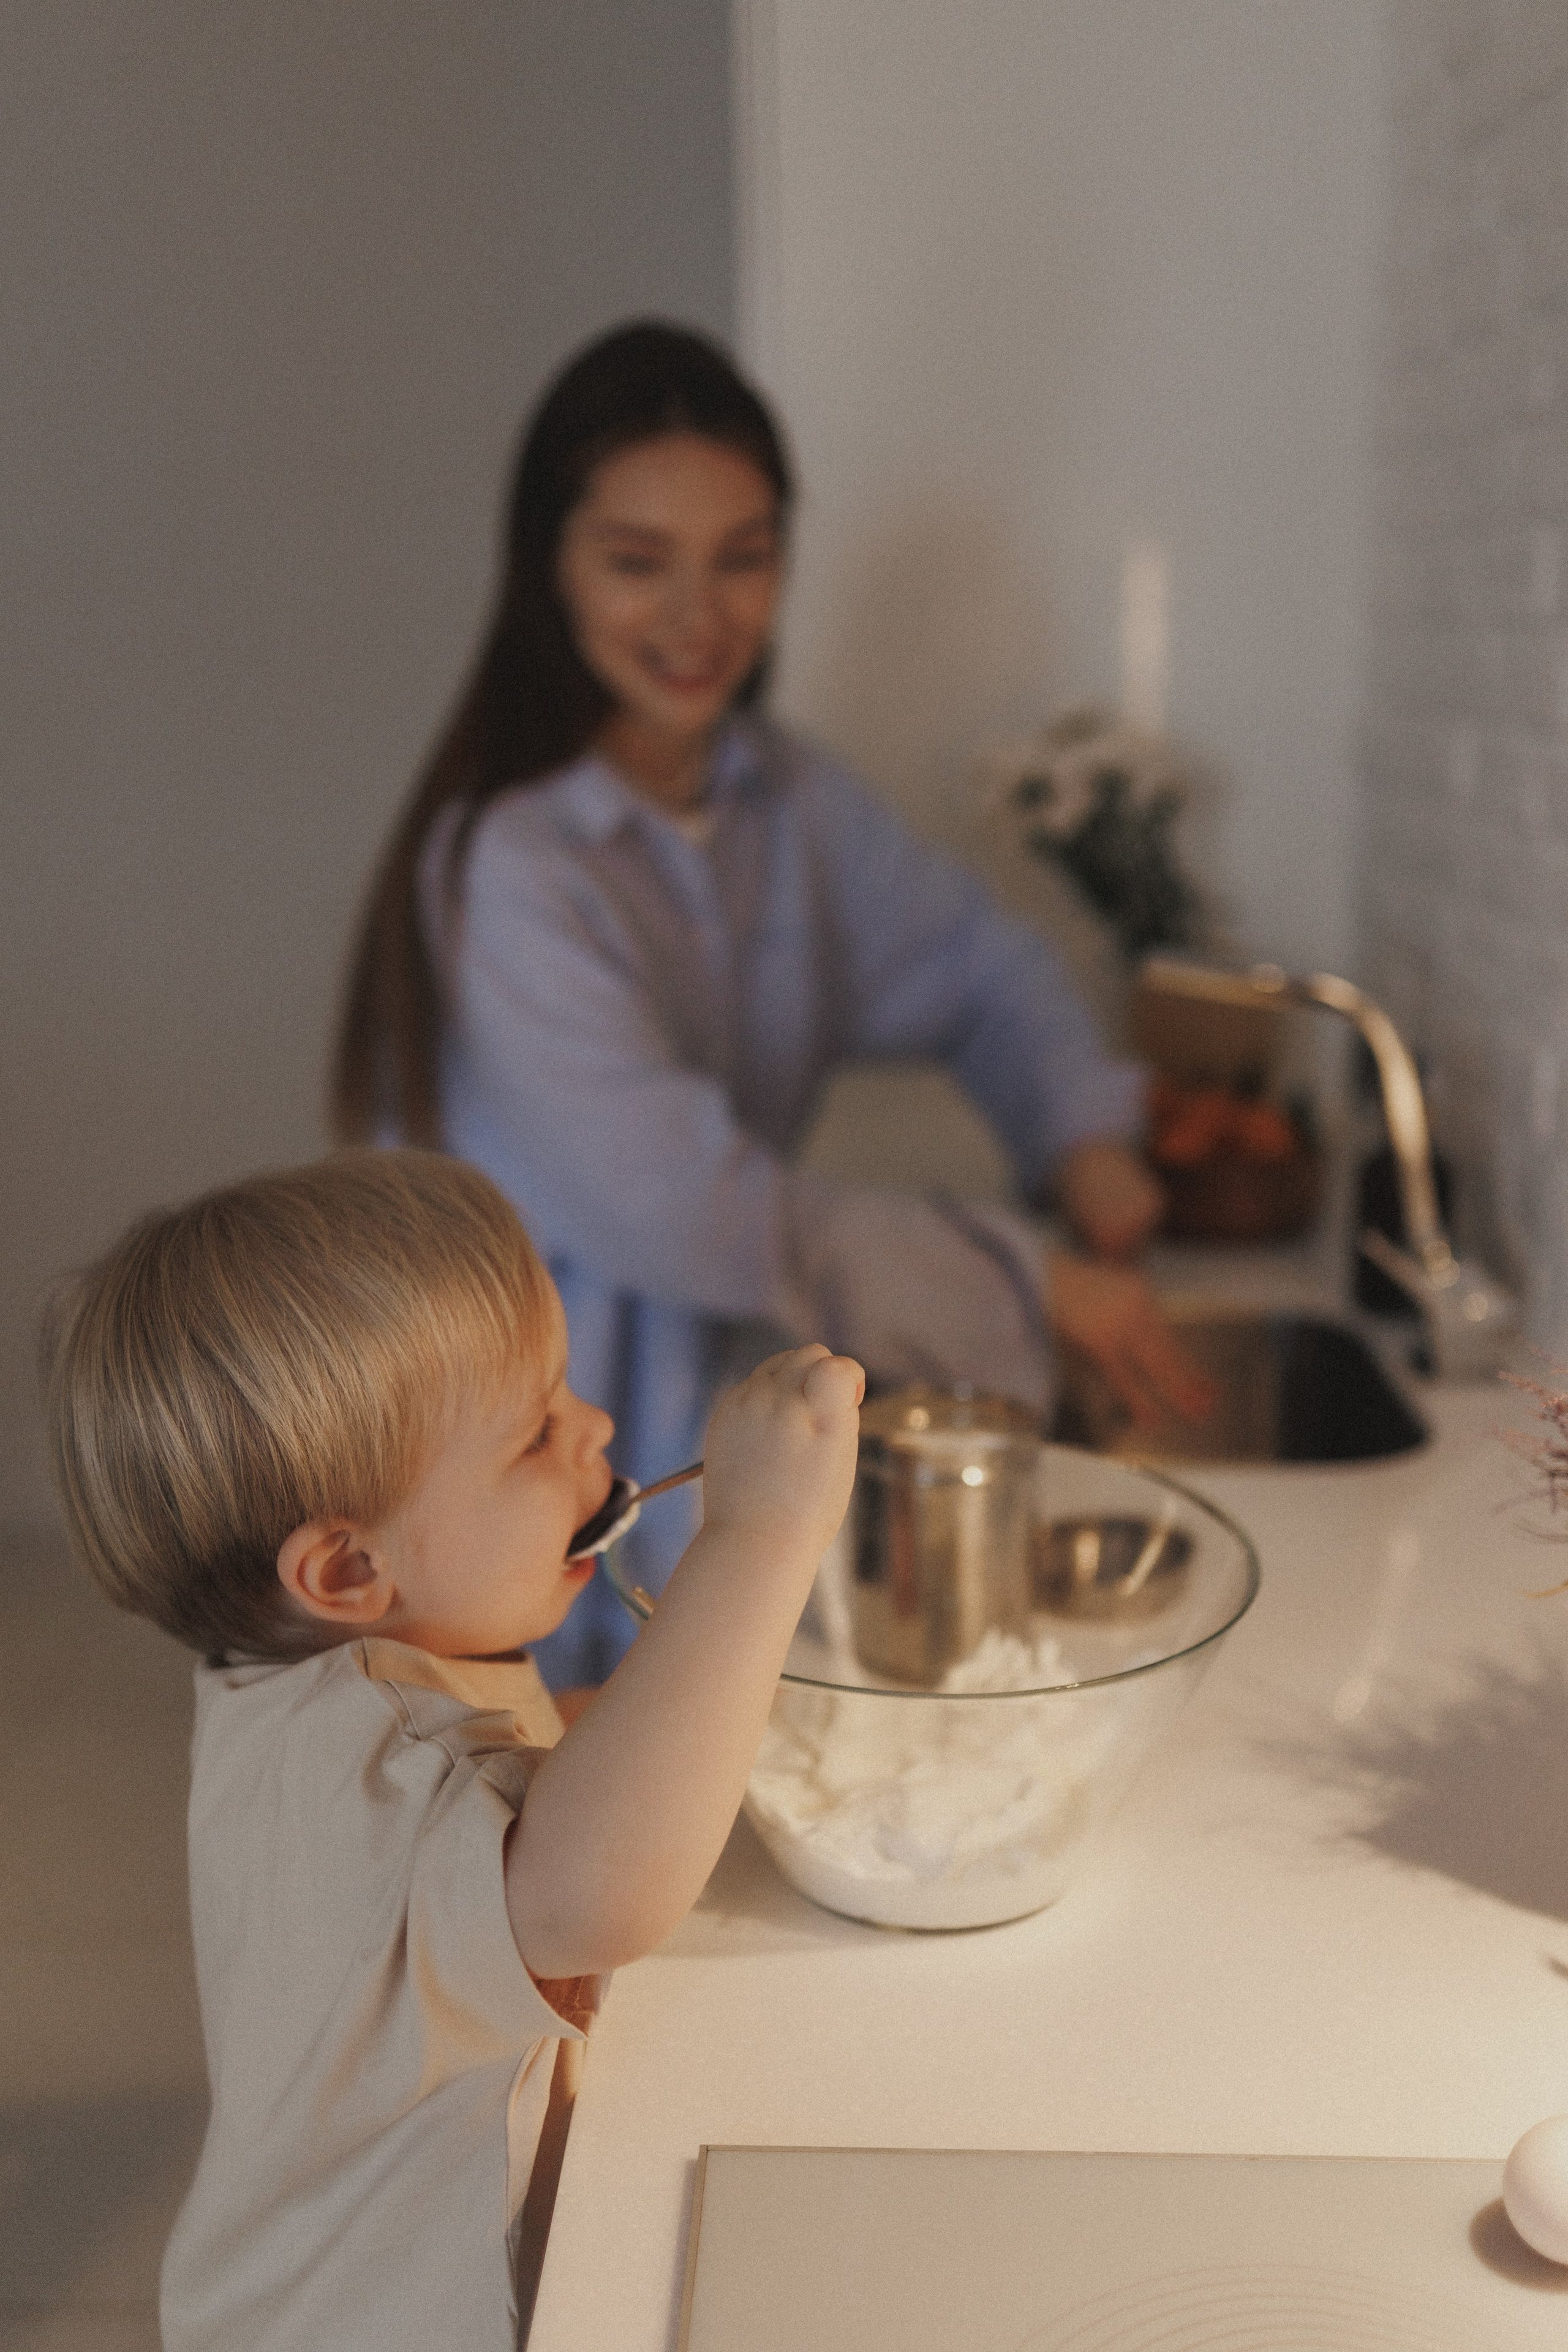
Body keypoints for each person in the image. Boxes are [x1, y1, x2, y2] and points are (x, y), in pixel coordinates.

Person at [333, 320, 1208, 1691]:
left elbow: (984, 968)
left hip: (692, 1420)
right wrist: (1026, 1278)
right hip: (500, 1459)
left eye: (742, 558)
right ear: (546, 569)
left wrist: (1082, 1139)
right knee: (534, 1834)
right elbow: (692, 1212)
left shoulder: (789, 799)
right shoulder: (511, 866)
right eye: (637, 562)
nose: (698, 618)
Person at [42, 1148, 864, 2352]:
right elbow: (591, 1896)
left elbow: (515, 1782)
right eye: (535, 1435)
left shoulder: (289, 1675)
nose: (596, 1427)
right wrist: (757, 1538)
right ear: (349, 1569)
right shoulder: (390, 1761)